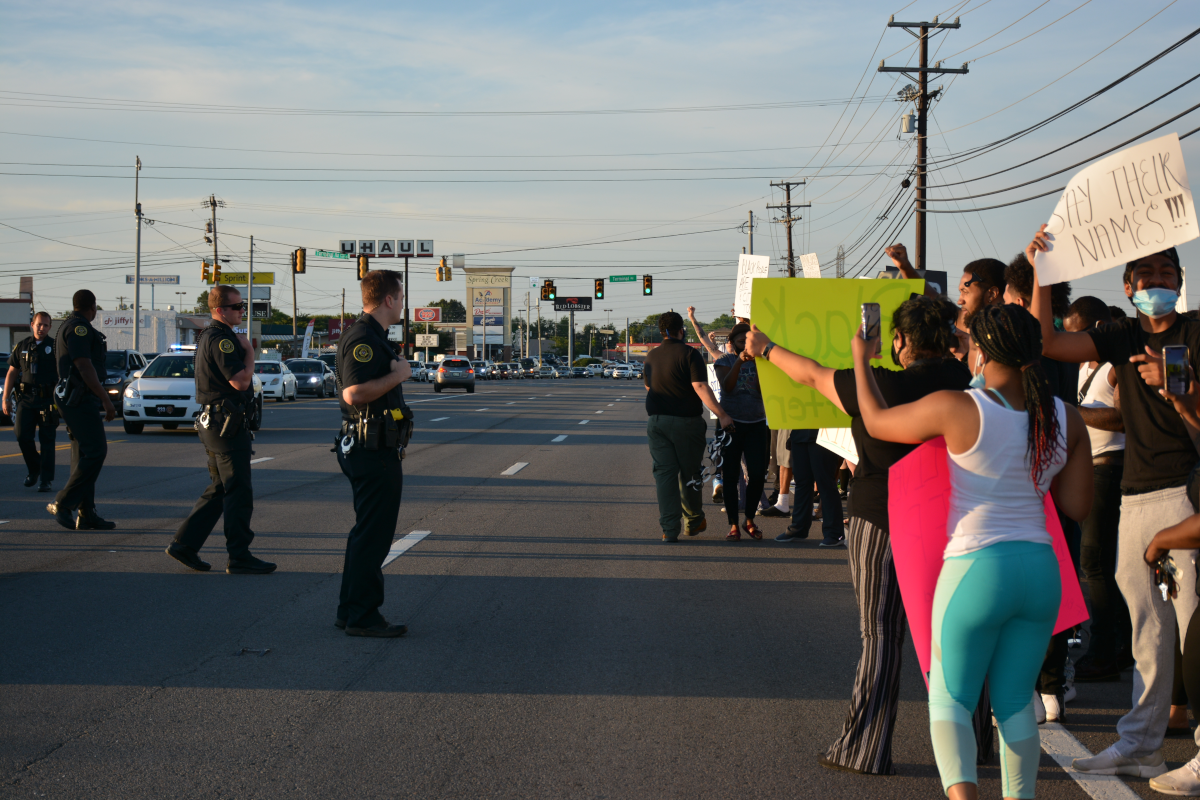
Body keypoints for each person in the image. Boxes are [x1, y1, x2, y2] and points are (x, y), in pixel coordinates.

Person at [851, 302, 1092, 800]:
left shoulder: (959, 406)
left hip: (976, 568)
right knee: (1014, 703)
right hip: (1040, 571)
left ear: (980, 352)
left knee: (950, 700)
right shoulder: (1065, 417)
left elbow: (875, 421)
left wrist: (861, 357)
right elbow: (1076, 505)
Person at [746, 291, 980, 774]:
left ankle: (866, 748)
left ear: (900, 341)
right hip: (956, 522)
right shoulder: (970, 386)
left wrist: (766, 347)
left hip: (883, 516)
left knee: (881, 633)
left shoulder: (878, 385)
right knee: (959, 634)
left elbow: (811, 374)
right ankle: (974, 744)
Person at [1029, 227, 1199, 778]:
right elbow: (1049, 343)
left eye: (1166, 273)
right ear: (1127, 287)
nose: (1156, 282)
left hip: (1189, 493)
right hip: (1135, 494)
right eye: (1145, 274)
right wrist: (1042, 275)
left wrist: (1180, 386)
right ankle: (1140, 745)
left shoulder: (1196, 332)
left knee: (1195, 629)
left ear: (1180, 281)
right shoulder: (1120, 334)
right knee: (1147, 629)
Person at [1003, 252, 1079, 722]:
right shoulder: (1070, 345)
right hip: (1062, 474)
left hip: (1026, 483)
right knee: (1058, 584)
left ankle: (1031, 685)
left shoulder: (1031, 346)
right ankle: (1052, 685)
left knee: (1024, 591)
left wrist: (1037, 271)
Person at [167, 285, 275, 575]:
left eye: (242, 306)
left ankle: (184, 545)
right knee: (238, 491)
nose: (242, 311)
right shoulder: (222, 339)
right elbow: (240, 381)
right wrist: (250, 352)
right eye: (237, 306)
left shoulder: (212, 335)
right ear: (219, 310)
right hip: (225, 425)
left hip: (218, 422)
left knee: (221, 488)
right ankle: (239, 556)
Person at [335, 270, 413, 637]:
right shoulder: (364, 337)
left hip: (372, 445)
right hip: (371, 448)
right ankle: (363, 617)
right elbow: (353, 393)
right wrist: (399, 374)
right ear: (389, 299)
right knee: (374, 535)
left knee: (365, 532)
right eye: (401, 297)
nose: (403, 304)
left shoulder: (373, 335)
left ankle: (349, 609)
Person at [1061, 296, 1131, 684]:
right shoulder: (1079, 366)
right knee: (1096, 565)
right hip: (1083, 470)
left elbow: (1124, 419)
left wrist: (1074, 412)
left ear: (1100, 328)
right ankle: (1119, 644)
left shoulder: (1115, 366)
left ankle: (1104, 651)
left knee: (1095, 563)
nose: (1074, 341)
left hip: (1109, 470)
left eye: (1081, 333)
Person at [644, 311, 732, 543]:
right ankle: (692, 522)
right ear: (681, 330)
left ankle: (669, 529)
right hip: (687, 423)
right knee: (690, 473)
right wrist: (722, 415)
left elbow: (649, 387)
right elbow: (700, 386)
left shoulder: (651, 356)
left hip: (657, 422)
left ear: (661, 331)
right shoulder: (690, 354)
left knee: (664, 475)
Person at [47, 289, 117, 531]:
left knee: (84, 454)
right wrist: (106, 399)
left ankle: (87, 513)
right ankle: (63, 502)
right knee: (97, 451)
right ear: (93, 307)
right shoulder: (80, 328)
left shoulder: (68, 325)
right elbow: (84, 366)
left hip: (74, 397)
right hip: (78, 398)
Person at [714, 322, 770, 541]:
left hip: (757, 422)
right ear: (732, 343)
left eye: (748, 342)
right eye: (740, 342)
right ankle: (733, 525)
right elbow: (727, 387)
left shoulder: (762, 361)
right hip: (731, 424)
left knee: (756, 474)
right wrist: (739, 360)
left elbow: (763, 390)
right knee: (730, 476)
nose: (745, 346)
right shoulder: (724, 361)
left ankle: (749, 520)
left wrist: (758, 361)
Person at [3, 311, 59, 491]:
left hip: (48, 400)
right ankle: (35, 468)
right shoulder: (22, 345)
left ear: (50, 327)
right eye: (38, 324)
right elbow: (12, 372)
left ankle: (45, 480)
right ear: (32, 325)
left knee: (47, 440)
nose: (41, 328)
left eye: (45, 325)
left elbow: (64, 374)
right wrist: (5, 398)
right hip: (26, 399)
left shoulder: (55, 347)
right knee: (22, 435)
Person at [687, 306, 728, 504]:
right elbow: (704, 339)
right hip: (750, 416)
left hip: (728, 414)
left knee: (722, 450)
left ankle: (719, 481)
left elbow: (703, 339)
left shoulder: (726, 359)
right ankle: (753, 498)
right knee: (747, 460)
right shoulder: (754, 360)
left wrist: (692, 318)